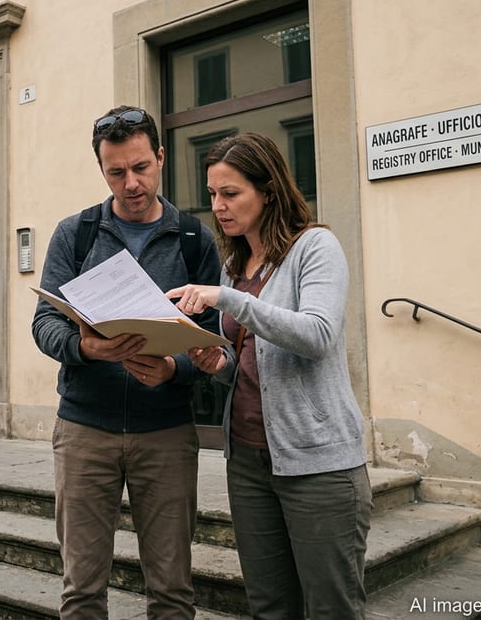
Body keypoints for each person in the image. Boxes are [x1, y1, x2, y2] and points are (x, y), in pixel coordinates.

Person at [167, 132, 371, 619]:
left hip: (318, 463)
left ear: (269, 190)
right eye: (213, 194)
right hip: (247, 460)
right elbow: (254, 363)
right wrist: (219, 364)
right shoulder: (234, 266)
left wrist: (230, 301)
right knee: (269, 607)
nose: (217, 206)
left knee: (331, 609)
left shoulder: (315, 247)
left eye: (231, 193)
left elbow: (317, 334)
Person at [31, 106, 220, 618]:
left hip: (166, 432)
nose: (131, 183)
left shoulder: (194, 239)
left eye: (141, 167)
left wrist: (174, 369)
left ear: (161, 157)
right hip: (84, 431)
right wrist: (85, 348)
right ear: (101, 169)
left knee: (173, 591)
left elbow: (216, 342)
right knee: (82, 591)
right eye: (116, 172)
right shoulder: (76, 234)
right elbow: (44, 324)